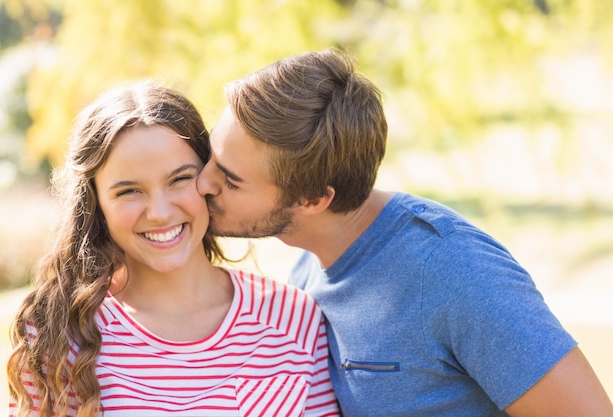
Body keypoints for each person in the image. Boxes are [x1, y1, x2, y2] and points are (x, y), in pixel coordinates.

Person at [196, 49, 613, 416]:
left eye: (231, 181)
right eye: (212, 157)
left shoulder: (453, 272)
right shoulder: (310, 262)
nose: (203, 183)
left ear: (312, 199)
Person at [7, 80, 340, 417]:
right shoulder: (60, 332)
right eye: (129, 191)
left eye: (179, 179)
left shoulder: (294, 317)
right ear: (96, 205)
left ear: (210, 178)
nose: (160, 212)